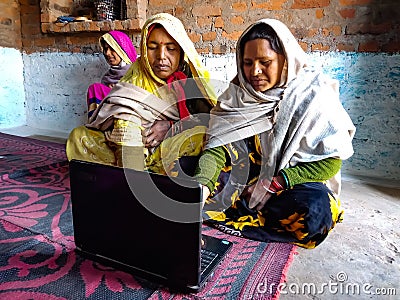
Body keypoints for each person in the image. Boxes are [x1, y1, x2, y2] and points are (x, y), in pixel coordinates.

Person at [194, 18, 356, 249]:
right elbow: (217, 148)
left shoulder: (313, 97)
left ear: (286, 61)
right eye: (247, 63)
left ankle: (249, 210)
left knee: (315, 212)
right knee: (186, 175)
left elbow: (331, 162)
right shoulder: (237, 94)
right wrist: (202, 187)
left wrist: (276, 183)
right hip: (244, 181)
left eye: (265, 62)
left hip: (287, 185)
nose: (254, 72)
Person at [66, 13, 216, 172]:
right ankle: (141, 174)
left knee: (206, 136)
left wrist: (171, 126)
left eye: (171, 48)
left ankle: (135, 172)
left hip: (167, 146)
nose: (161, 56)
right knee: (79, 137)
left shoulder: (190, 78)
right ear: (144, 49)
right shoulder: (136, 78)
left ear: (181, 51)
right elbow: (124, 124)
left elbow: (210, 119)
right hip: (130, 146)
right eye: (152, 48)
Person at [87, 30, 137, 119]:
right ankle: (97, 124)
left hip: (130, 117)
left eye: (112, 49)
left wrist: (118, 89)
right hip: (109, 119)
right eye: (105, 49)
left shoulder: (136, 72)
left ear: (122, 50)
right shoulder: (107, 77)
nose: (107, 53)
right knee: (95, 89)